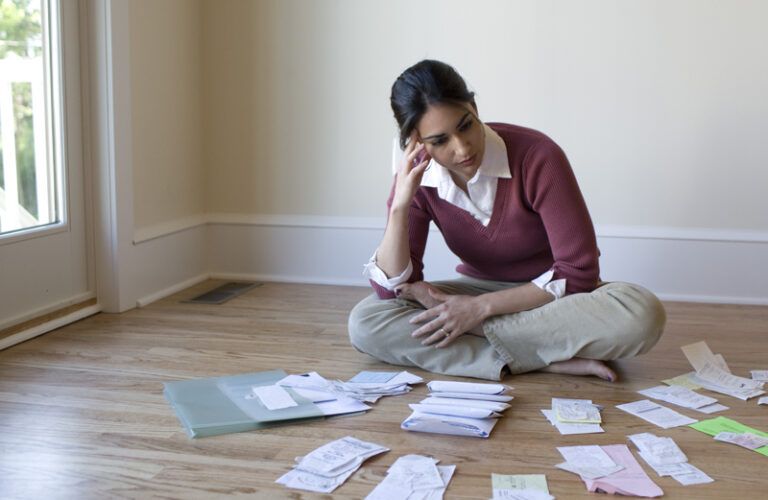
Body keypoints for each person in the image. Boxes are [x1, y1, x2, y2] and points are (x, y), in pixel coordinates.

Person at [348, 60, 665, 382]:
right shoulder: (417, 178)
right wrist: (401, 204)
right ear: (416, 142)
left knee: (639, 314)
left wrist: (480, 310)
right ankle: (541, 358)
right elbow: (392, 290)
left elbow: (579, 273)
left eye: (465, 125)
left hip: (551, 298)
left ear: (474, 107)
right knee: (367, 321)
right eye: (440, 141)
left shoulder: (537, 155)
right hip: (475, 291)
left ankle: (493, 347)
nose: (462, 147)